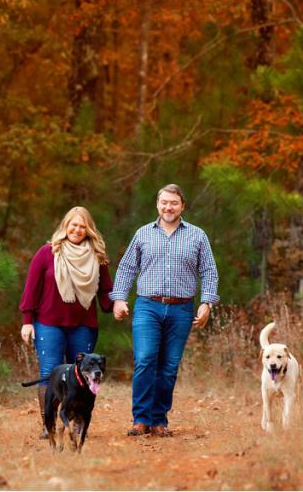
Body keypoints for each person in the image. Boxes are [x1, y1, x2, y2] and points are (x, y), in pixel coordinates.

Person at [110, 184, 219, 437]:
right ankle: (141, 419)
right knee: (146, 360)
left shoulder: (197, 236)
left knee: (169, 366)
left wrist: (207, 302)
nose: (168, 207)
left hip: (181, 309)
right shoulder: (143, 234)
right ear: (157, 205)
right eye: (164, 202)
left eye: (174, 203)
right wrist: (119, 299)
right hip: (148, 306)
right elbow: (127, 268)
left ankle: (159, 420)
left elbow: (209, 271)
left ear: (182, 206)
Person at [20, 206, 113, 438]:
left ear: (88, 229)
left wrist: (116, 305)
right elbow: (31, 289)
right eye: (73, 224)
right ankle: (48, 425)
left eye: (83, 226)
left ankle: (79, 423)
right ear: (65, 225)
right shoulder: (47, 252)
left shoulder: (97, 257)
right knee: (49, 372)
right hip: (49, 324)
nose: (77, 230)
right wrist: (27, 321)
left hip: (83, 325)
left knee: (83, 375)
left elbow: (105, 291)